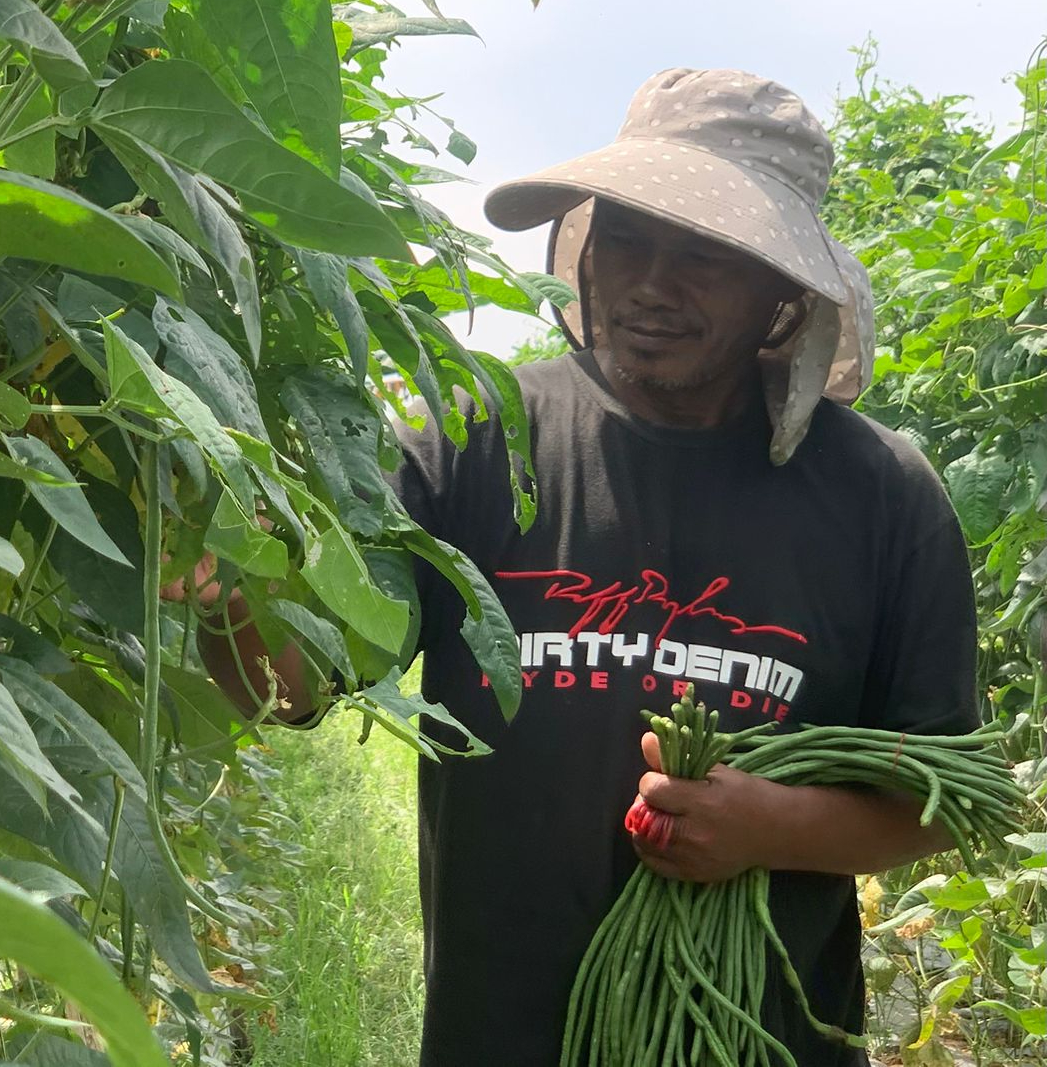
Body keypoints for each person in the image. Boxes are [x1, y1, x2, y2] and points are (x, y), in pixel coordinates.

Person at [179, 68, 978, 1065]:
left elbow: (936, 800)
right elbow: (289, 682)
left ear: (780, 288)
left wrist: (767, 824)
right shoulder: (474, 438)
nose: (650, 283)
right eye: (628, 238)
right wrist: (220, 592)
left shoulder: (880, 496)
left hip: (765, 1043)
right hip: (500, 1038)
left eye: (702, 256)